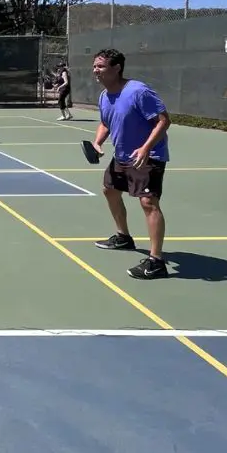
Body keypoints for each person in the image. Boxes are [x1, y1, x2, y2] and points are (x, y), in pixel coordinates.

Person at [89, 48, 171, 280]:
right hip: (122, 155)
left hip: (148, 155)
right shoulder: (105, 96)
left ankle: (156, 262)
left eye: (101, 66)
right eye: (95, 66)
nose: (96, 70)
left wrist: (145, 148)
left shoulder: (138, 91)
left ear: (117, 68)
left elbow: (163, 121)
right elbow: (106, 122)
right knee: (109, 190)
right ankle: (123, 237)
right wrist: (97, 142)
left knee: (148, 203)